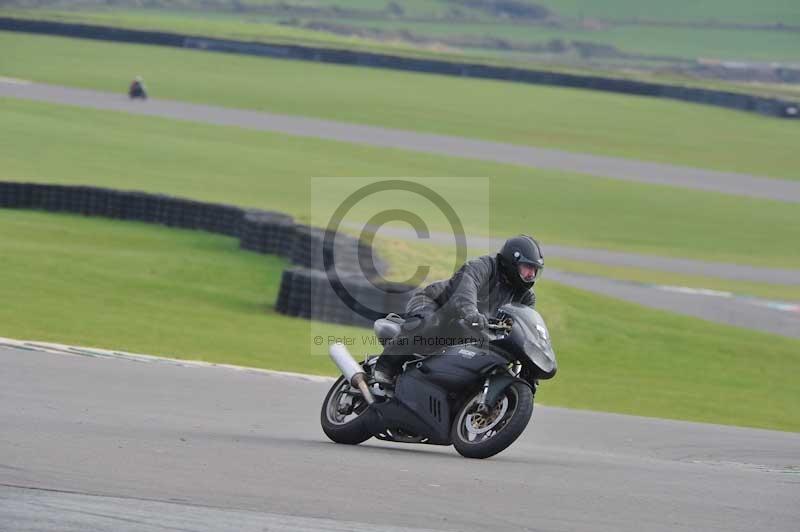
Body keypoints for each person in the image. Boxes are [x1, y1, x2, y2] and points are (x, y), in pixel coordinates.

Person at [373, 234, 544, 386]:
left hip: (470, 329)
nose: (530, 275)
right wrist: (470, 312)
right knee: (429, 323)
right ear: (512, 262)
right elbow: (465, 288)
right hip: (436, 303)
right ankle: (385, 366)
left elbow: (523, 326)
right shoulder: (484, 266)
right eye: (527, 268)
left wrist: (529, 362)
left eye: (534, 271)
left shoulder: (526, 297)